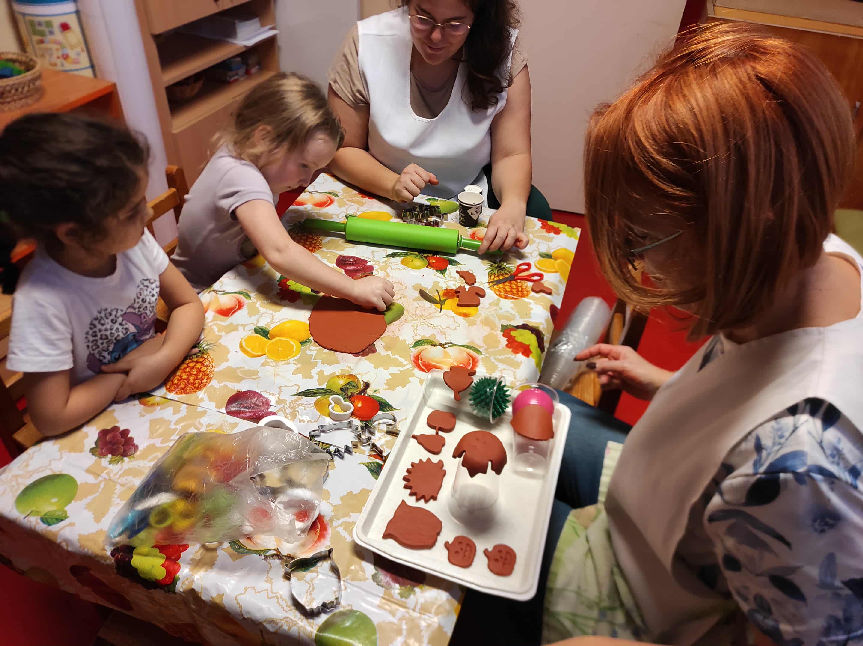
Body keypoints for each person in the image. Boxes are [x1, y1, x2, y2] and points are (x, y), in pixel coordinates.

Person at [451, 22, 863, 646]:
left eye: (646, 237)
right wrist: (674, 383)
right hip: (652, 502)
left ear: (746, 228)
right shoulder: (820, 253)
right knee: (515, 409)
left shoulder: (804, 477)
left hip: (641, 602)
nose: (639, 263)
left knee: (456, 558)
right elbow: (764, 391)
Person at [0, 113, 205, 437]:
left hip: (152, 386)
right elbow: (52, 417)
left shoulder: (133, 241)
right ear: (73, 233)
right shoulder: (42, 300)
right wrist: (127, 376)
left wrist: (164, 357)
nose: (148, 212)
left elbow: (188, 304)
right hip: (100, 420)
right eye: (132, 210)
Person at [328, 0, 548, 254]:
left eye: (455, 25)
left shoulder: (501, 50)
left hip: (467, 196)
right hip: (379, 193)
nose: (435, 37)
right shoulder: (367, 42)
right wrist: (392, 184)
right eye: (423, 19)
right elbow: (343, 149)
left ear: (478, 17)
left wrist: (512, 205)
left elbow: (511, 154)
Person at [171, 72, 395, 310]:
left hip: (235, 274)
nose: (305, 180)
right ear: (264, 139)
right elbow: (280, 252)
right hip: (195, 296)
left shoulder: (251, 153)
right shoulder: (240, 176)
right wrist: (353, 289)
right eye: (304, 165)